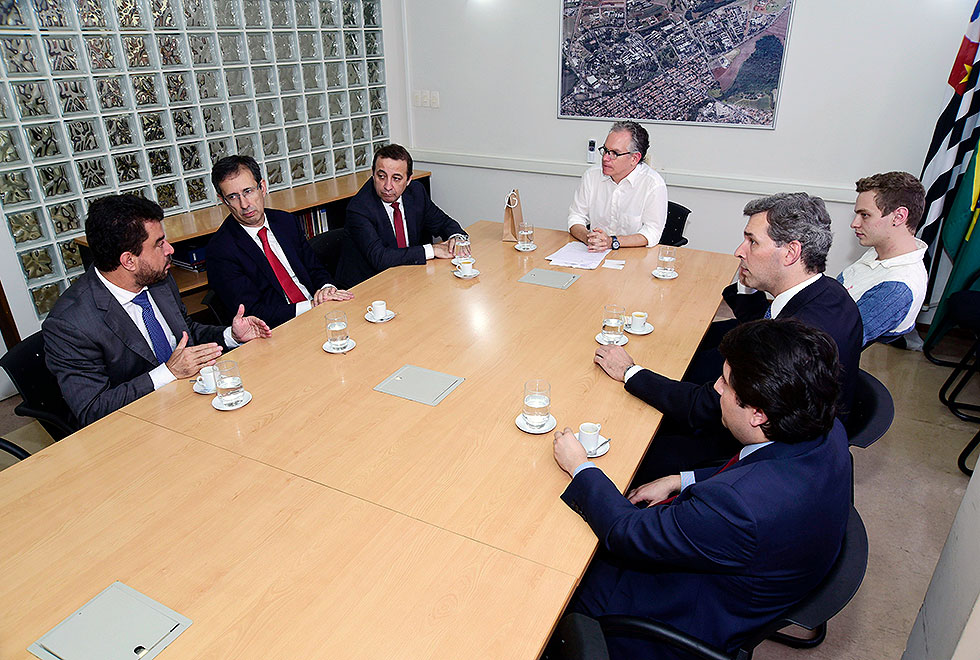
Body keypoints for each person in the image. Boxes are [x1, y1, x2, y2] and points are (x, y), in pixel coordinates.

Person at [554, 319, 851, 660]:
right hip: (743, 572)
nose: (716, 388)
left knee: (556, 570)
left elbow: (626, 532)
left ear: (757, 413)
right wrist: (683, 478)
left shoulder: (738, 507)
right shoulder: (826, 430)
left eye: (726, 383)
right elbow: (757, 472)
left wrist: (580, 466)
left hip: (670, 616)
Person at [595, 192, 862, 476]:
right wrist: (751, 277)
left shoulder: (797, 338)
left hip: (752, 451)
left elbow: (705, 406)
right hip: (782, 423)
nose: (739, 250)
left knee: (628, 440)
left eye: (752, 242)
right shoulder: (827, 292)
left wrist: (629, 371)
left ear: (791, 253)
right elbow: (756, 322)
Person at [43, 194, 272, 427]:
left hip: (191, 403)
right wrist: (168, 373)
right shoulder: (70, 325)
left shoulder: (158, 278)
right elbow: (93, 409)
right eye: (159, 243)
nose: (170, 249)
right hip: (138, 428)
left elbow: (186, 334)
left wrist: (231, 336)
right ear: (128, 261)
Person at [206, 155, 354, 328]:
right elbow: (252, 314)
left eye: (248, 191)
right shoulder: (220, 251)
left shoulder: (285, 221)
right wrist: (311, 306)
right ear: (222, 200)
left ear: (262, 187)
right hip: (279, 329)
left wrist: (327, 288)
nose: (244, 204)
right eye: (233, 197)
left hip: (320, 312)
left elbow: (315, 269)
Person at [335, 144, 469, 286]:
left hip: (406, 276)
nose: (387, 186)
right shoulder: (359, 208)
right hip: (368, 285)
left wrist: (456, 237)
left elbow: (443, 222)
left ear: (409, 180)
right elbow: (381, 258)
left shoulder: (416, 192)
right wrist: (432, 250)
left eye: (396, 178)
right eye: (381, 177)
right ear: (373, 174)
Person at [837, 171, 927, 347]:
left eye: (865, 215)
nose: (854, 223)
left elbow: (837, 342)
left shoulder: (897, 288)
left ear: (899, 217)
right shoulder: (880, 251)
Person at [567, 121, 667, 251]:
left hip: (634, 257)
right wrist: (589, 238)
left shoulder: (652, 184)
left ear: (634, 159)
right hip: (594, 254)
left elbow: (652, 232)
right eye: (605, 150)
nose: (605, 158)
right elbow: (576, 217)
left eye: (615, 153)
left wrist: (611, 241)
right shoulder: (591, 176)